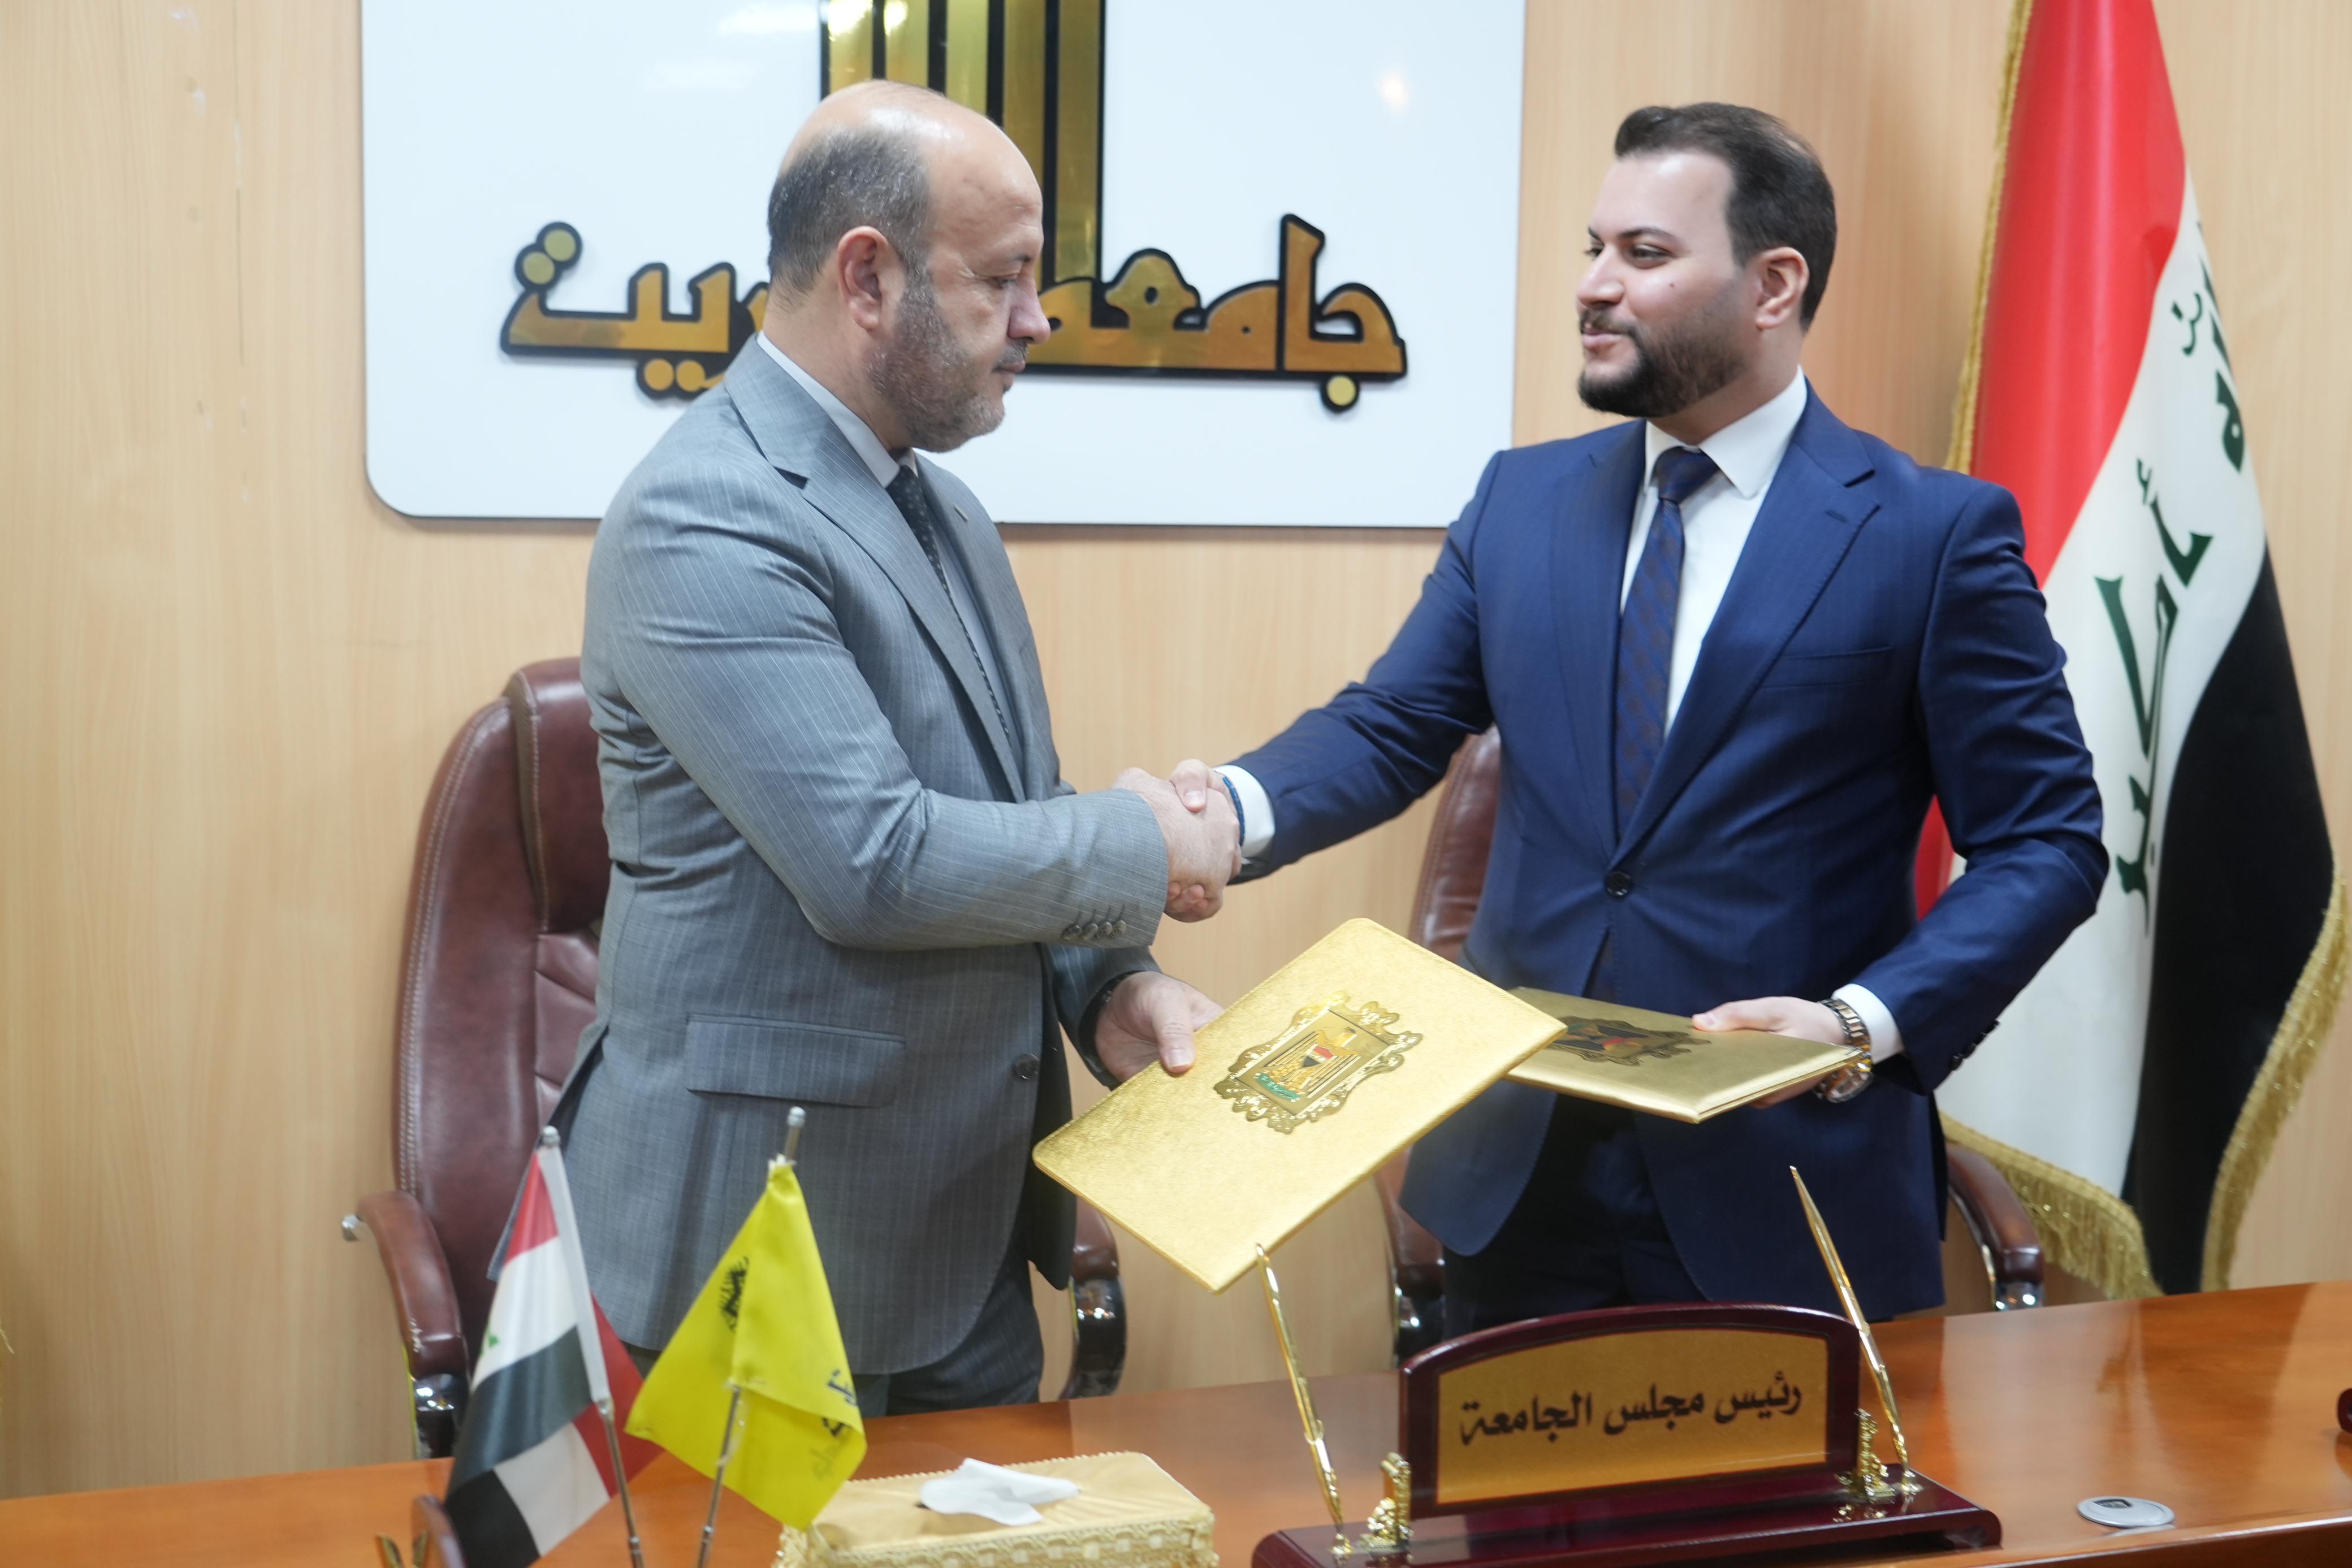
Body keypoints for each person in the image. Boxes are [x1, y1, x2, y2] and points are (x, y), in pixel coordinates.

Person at [1162, 103, 2105, 1328]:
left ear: (1773, 286)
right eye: (1594, 247)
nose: (1594, 285)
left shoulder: (1930, 535)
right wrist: (1220, 816)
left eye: (1645, 254)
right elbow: (1393, 722)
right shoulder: (1521, 500)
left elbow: (2046, 839)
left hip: (1782, 1172)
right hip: (1520, 1171)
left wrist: (1855, 1024)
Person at [558, 81, 1236, 1415]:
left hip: (963, 1242)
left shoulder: (948, 511)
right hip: (768, 1250)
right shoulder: (706, 511)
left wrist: (1114, 987)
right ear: (867, 278)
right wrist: (1149, 839)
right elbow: (874, 862)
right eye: (1003, 278)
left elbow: (1012, 812)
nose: (1037, 320)